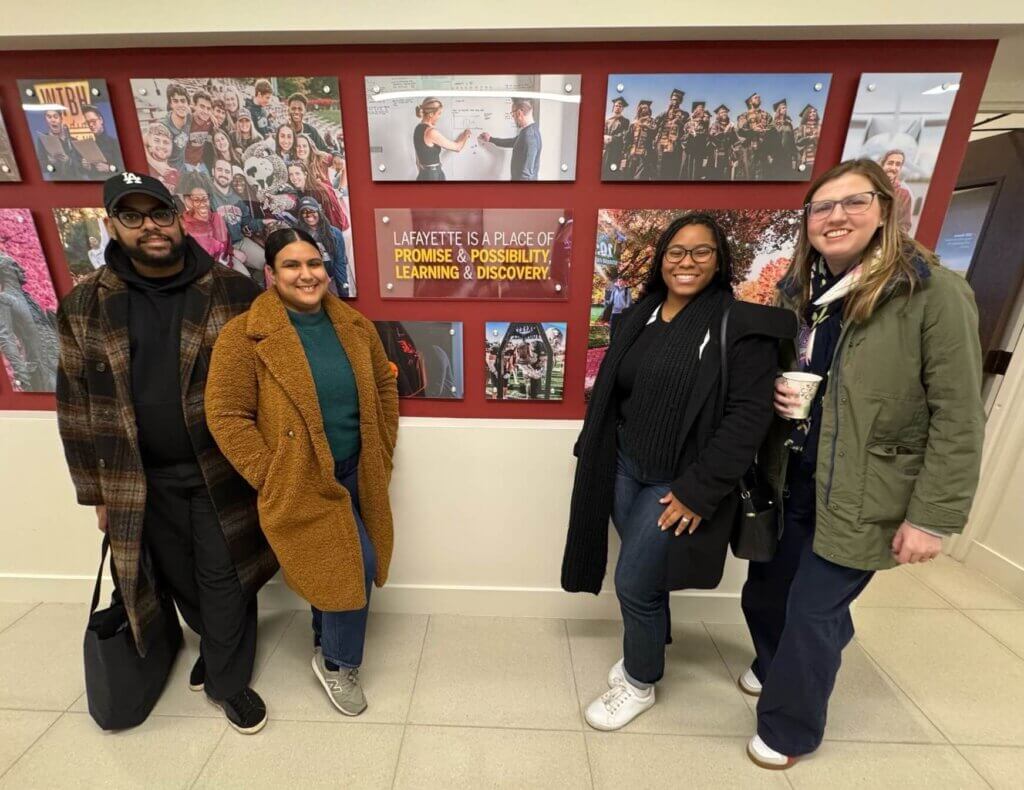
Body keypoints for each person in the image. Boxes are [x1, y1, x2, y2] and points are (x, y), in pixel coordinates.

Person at [740, 159, 985, 769]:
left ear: (885, 209)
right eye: (822, 207)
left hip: (865, 488)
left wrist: (933, 518)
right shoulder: (801, 290)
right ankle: (777, 667)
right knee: (765, 594)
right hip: (792, 474)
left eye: (854, 202)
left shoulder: (932, 292)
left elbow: (959, 415)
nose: (836, 216)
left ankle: (789, 729)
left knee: (813, 611)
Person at [55, 172, 278, 734]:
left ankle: (229, 683)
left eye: (158, 213)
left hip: (219, 470)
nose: (149, 227)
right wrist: (96, 495)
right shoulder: (85, 303)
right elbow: (75, 407)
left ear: (178, 217)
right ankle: (215, 648)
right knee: (176, 578)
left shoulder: (233, 291)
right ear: (111, 225)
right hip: (136, 477)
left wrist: (269, 465)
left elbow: (270, 387)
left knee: (226, 574)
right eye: (132, 217)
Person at [561, 212, 796, 731]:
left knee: (633, 583)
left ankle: (640, 680)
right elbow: (615, 395)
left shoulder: (739, 326)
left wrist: (699, 492)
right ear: (661, 259)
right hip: (624, 467)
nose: (686, 262)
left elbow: (748, 418)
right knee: (647, 574)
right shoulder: (637, 317)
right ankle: (650, 641)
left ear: (719, 261)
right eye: (676, 252)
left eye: (701, 252)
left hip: (679, 480)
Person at [205, 226, 398, 718]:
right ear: (271, 274)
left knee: (333, 561)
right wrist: (271, 472)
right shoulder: (243, 336)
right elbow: (225, 414)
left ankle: (322, 636)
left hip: (359, 469)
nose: (306, 274)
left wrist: (385, 446)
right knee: (356, 564)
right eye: (291, 265)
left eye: (313, 263)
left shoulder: (354, 326)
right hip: (301, 477)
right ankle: (337, 663)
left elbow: (383, 387)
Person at [0, 252, 59, 391]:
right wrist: (21, 373)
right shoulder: (5, 299)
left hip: (58, 362)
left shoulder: (30, 299)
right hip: (41, 368)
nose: (22, 269)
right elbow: (5, 337)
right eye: (15, 265)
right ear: (5, 271)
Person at [295, 196, 350, 296]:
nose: (308, 215)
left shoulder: (335, 233)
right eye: (304, 212)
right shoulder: (298, 235)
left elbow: (340, 262)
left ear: (319, 212)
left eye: (312, 211)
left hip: (331, 277)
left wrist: (343, 290)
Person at [478, 98, 543, 181]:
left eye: (513, 114)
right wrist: (490, 139)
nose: (513, 117)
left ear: (519, 113)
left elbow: (526, 175)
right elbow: (512, 142)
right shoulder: (527, 132)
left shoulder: (530, 136)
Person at [180, 173, 234, 269]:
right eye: (196, 200)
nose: (203, 204)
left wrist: (231, 254)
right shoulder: (184, 226)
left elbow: (227, 245)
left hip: (227, 266)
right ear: (187, 201)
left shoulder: (216, 218)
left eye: (205, 199)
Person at [411, 98, 470, 181]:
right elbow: (458, 147)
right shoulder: (431, 132)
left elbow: (417, 161)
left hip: (423, 174)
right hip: (433, 175)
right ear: (431, 114)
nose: (439, 117)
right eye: (439, 113)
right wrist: (466, 135)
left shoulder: (418, 128)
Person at [287, 162, 348, 231]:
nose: (294, 178)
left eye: (297, 173)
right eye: (291, 175)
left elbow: (332, 216)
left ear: (305, 174)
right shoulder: (299, 191)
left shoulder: (319, 191)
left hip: (337, 229)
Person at [653, 89, 689, 180]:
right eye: (673, 99)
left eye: (677, 100)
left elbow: (687, 128)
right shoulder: (664, 113)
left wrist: (680, 122)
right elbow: (655, 124)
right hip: (662, 143)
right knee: (660, 166)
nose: (674, 101)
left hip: (675, 145)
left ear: (680, 101)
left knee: (673, 167)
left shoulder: (685, 114)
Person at [33, 109, 81, 179]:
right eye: (49, 117)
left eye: (55, 117)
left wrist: (69, 161)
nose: (52, 120)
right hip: (57, 182)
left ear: (61, 119)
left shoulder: (72, 140)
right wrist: (51, 163)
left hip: (77, 180)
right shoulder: (43, 140)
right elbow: (42, 167)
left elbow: (81, 166)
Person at [82, 104, 125, 177]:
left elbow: (125, 169)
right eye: (88, 122)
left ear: (101, 120)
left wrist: (109, 168)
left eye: (93, 121)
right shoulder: (91, 146)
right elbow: (93, 175)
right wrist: (87, 167)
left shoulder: (115, 143)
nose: (91, 125)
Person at [737, 93, 772, 180]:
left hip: (763, 148)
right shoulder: (744, 115)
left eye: (759, 97)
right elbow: (740, 129)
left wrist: (765, 130)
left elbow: (772, 127)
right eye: (756, 97)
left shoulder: (766, 115)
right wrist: (753, 130)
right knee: (749, 173)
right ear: (750, 101)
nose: (758, 98)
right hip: (748, 148)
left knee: (763, 174)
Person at [622, 100, 657, 180]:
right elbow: (628, 138)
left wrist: (645, 126)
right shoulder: (634, 123)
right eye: (642, 108)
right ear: (639, 110)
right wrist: (626, 150)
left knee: (640, 176)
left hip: (644, 152)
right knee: (629, 174)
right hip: (632, 152)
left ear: (649, 110)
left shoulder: (652, 121)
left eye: (646, 108)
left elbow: (654, 132)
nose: (644, 110)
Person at [881, 149, 914, 233]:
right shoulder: (869, 185)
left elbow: (905, 225)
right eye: (890, 163)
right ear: (882, 164)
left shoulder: (904, 194)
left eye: (898, 164)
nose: (893, 168)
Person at [161, 83, 192, 171]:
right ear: (170, 104)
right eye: (175, 101)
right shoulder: (164, 126)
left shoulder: (189, 117)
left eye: (183, 101)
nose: (180, 105)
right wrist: (158, 166)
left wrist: (211, 115)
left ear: (187, 103)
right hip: (170, 173)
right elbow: (145, 143)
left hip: (183, 168)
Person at [184, 90, 215, 174]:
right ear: (194, 106)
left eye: (208, 108)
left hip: (200, 163)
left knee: (209, 185)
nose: (205, 111)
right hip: (185, 162)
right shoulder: (187, 120)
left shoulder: (210, 122)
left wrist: (211, 115)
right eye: (202, 106)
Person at [766, 99, 798, 180]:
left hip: (787, 155)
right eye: (783, 108)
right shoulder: (773, 124)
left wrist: (794, 157)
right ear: (778, 110)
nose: (785, 109)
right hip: (776, 155)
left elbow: (792, 141)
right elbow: (768, 141)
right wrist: (769, 155)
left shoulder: (789, 124)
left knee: (787, 177)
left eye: (785, 107)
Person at [144, 122, 180, 192]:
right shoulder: (144, 164)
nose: (161, 146)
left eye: (166, 142)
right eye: (156, 141)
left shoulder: (175, 174)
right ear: (148, 142)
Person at [602, 96, 631, 179]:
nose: (618, 107)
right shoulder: (607, 120)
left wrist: (612, 138)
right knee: (603, 170)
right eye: (616, 106)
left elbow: (624, 134)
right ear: (613, 107)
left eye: (620, 106)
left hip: (616, 149)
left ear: (622, 109)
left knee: (613, 171)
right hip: (606, 149)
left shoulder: (625, 121)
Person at [709, 104, 740, 180]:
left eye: (725, 112)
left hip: (728, 153)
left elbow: (735, 140)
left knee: (727, 174)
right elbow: (714, 136)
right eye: (722, 112)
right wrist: (726, 129)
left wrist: (736, 154)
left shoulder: (731, 125)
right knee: (717, 174)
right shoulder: (715, 125)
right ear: (718, 114)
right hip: (718, 153)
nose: (724, 113)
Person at [682, 101, 710, 180]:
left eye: (702, 109)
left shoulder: (704, 124)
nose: (702, 110)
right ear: (695, 110)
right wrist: (689, 133)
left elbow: (706, 135)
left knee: (696, 167)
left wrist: (698, 134)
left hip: (699, 148)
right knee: (687, 166)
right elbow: (683, 135)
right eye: (699, 108)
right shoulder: (688, 123)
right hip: (689, 148)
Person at [795, 104, 820, 173]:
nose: (813, 113)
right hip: (805, 158)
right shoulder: (802, 128)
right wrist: (809, 138)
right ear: (806, 114)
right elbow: (798, 142)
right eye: (810, 112)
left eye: (814, 112)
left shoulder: (820, 126)